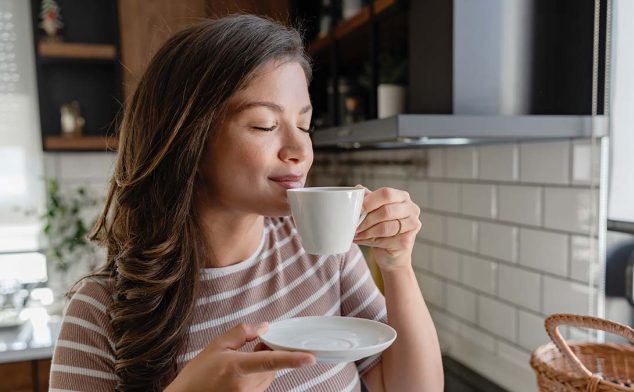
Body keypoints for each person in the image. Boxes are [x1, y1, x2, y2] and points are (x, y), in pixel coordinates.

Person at [48, 14, 443, 392]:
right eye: (264, 125)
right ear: (190, 141)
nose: (299, 150)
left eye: (304, 125)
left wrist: (397, 266)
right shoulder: (97, 314)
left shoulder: (323, 254)